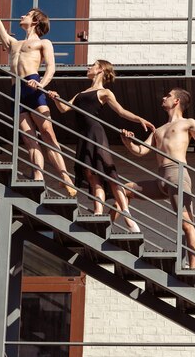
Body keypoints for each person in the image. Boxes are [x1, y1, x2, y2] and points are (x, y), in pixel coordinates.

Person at [0, 0, 76, 197]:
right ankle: (38, 176)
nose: (22, 16)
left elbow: (51, 67)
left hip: (34, 85)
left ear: (35, 21)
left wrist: (41, 84)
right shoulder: (12, 43)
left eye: (26, 14)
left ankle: (65, 177)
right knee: (28, 137)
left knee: (47, 133)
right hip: (17, 90)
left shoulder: (44, 43)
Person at [118, 88, 195, 269]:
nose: (164, 97)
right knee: (123, 189)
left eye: (168, 95)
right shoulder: (158, 130)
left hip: (177, 174)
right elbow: (140, 151)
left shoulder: (188, 123)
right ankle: (129, 225)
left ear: (176, 101)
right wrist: (127, 141)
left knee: (186, 224)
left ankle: (194, 268)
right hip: (160, 178)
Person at [48, 60, 155, 233]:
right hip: (83, 136)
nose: (88, 67)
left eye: (92, 65)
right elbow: (63, 109)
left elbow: (121, 111)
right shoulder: (81, 93)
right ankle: (98, 212)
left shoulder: (104, 92)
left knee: (109, 173)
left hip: (95, 133)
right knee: (91, 174)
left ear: (100, 70)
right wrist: (55, 98)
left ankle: (128, 218)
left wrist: (139, 119)